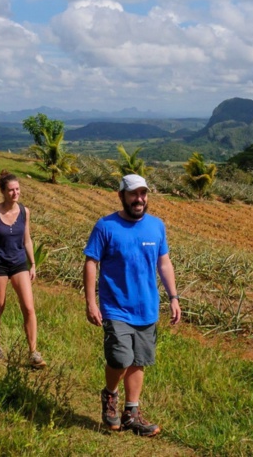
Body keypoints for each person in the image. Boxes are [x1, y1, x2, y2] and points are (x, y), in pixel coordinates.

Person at [83, 174, 181, 437]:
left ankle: (131, 413)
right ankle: (110, 395)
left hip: (147, 308)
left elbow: (164, 263)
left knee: (139, 361)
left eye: (143, 194)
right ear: (121, 196)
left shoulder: (156, 226)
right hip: (115, 307)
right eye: (133, 194)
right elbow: (91, 263)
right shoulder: (105, 226)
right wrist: (91, 302)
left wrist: (173, 296)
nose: (139, 199)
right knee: (120, 358)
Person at [0, 171, 45, 368]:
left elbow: (26, 239)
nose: (15, 193)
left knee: (28, 306)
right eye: (11, 190)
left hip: (18, 262)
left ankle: (33, 352)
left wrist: (32, 263)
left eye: (17, 189)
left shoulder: (25, 212)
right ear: (2, 191)